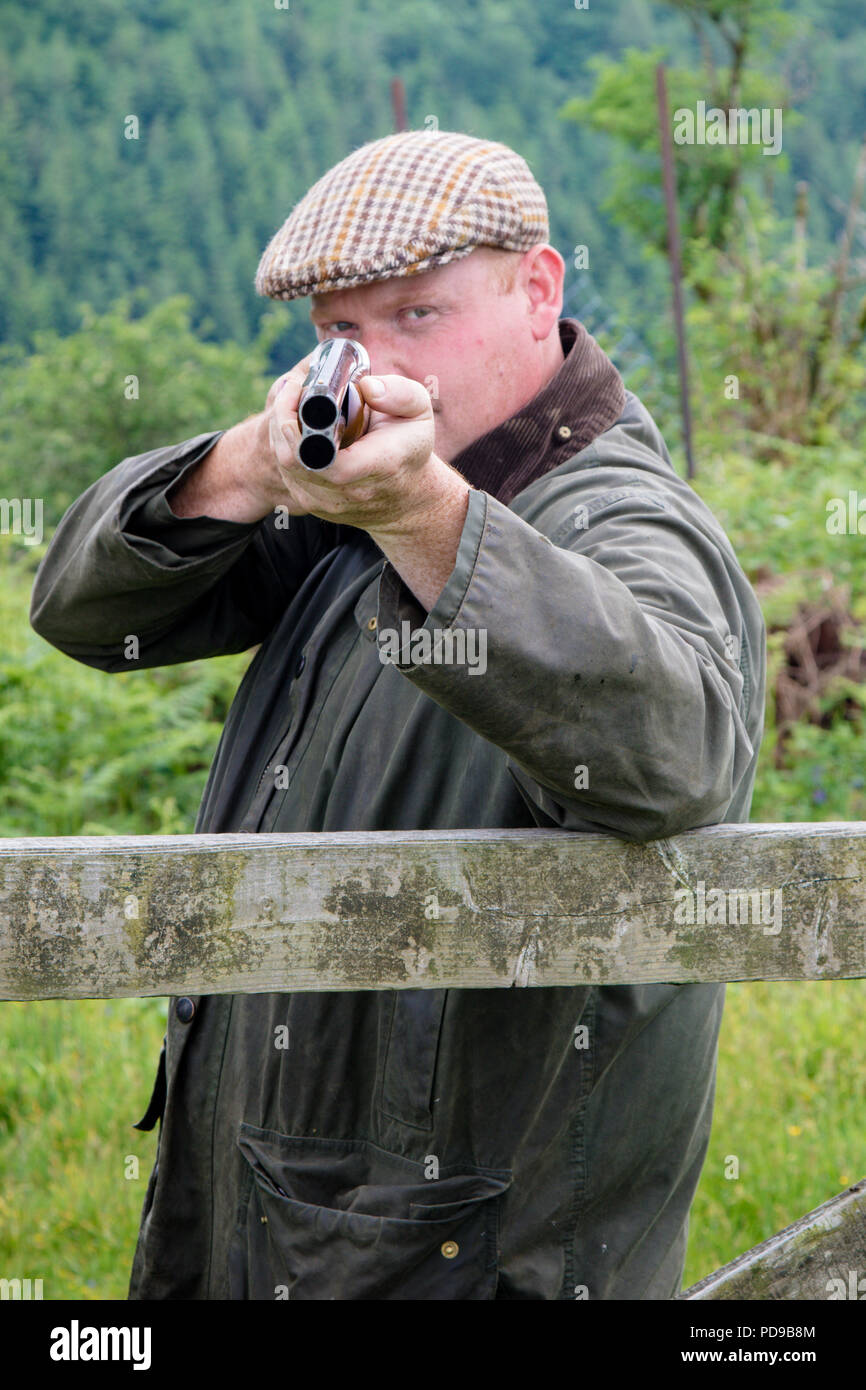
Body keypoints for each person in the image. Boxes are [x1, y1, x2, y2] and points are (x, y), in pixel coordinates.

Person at [30, 129, 766, 1300]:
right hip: (279, 1230)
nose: (374, 364)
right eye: (338, 332)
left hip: (464, 1266)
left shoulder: (617, 515)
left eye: (415, 315)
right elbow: (80, 611)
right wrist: (257, 463)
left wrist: (426, 516)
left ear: (539, 289)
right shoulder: (349, 493)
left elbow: (674, 755)